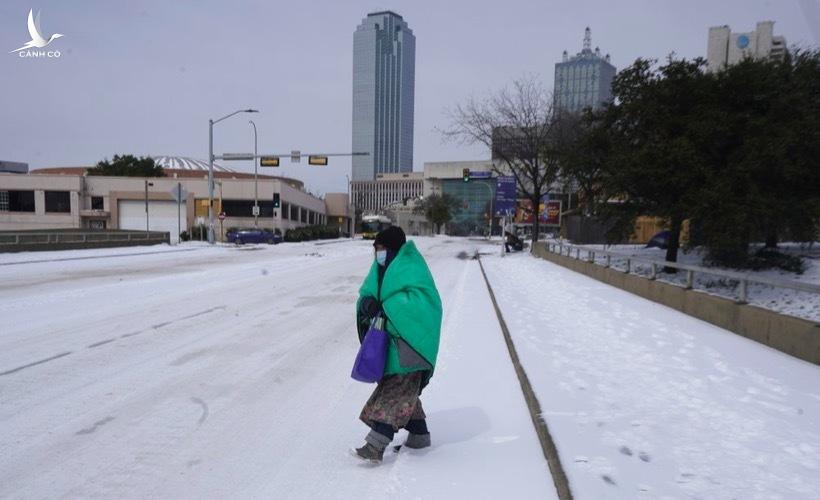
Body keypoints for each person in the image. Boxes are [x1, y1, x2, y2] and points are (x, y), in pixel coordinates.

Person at [353, 226, 442, 463]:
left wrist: (386, 308)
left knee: (394, 394)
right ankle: (419, 436)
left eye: (381, 249)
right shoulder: (380, 269)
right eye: (375, 249)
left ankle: (375, 445)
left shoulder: (412, 269)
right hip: (392, 347)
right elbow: (367, 294)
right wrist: (367, 304)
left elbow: (421, 305)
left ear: (392, 249)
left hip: (411, 347)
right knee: (405, 393)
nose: (377, 254)